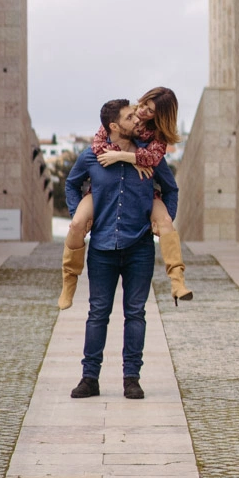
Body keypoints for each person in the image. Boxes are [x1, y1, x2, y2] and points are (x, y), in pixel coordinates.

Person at [65, 98, 179, 399]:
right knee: (97, 313)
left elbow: (171, 189)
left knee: (135, 313)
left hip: (139, 246)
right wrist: (79, 214)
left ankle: (131, 378)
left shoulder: (150, 158)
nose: (137, 121)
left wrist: (164, 221)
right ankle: (89, 378)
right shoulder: (92, 156)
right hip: (102, 248)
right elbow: (71, 184)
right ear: (114, 126)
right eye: (130, 117)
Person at [57, 87, 192, 309]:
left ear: (160, 118)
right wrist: (123, 155)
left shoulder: (156, 137)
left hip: (144, 194)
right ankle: (68, 282)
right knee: (77, 223)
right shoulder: (125, 116)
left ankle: (177, 282)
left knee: (167, 222)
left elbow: (155, 163)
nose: (142, 113)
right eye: (144, 106)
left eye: (151, 112)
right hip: (101, 191)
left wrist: (129, 157)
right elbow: (100, 144)